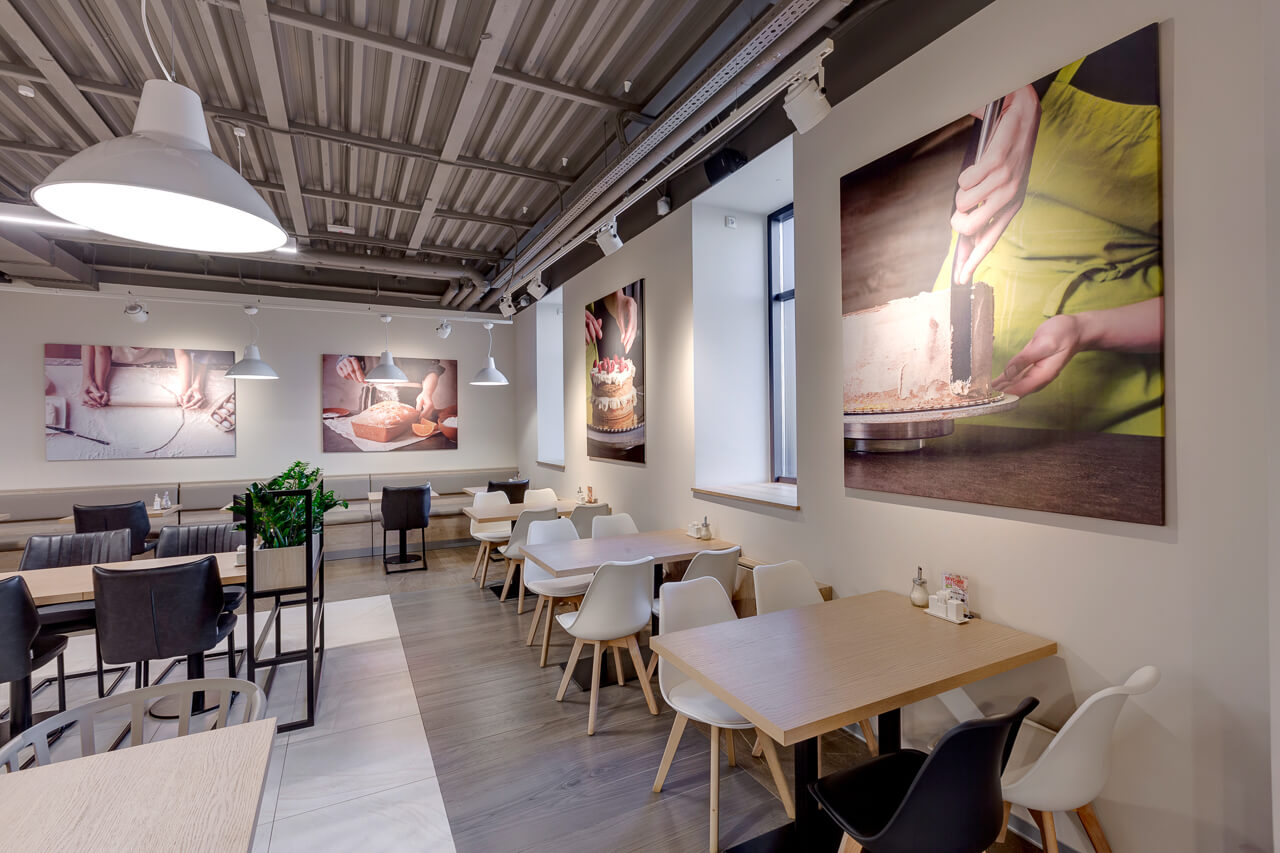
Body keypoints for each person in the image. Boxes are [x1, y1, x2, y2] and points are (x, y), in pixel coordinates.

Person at [933, 25, 1163, 435]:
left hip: (1116, 400)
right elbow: (922, 63)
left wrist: (1085, 330)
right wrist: (1010, 94)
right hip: (951, 375)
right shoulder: (1056, 25)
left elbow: (1228, 299)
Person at [79, 346, 212, 411]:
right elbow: (100, 350)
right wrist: (96, 386)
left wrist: (186, 390)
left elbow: (182, 352)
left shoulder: (169, 316)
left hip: (157, 356)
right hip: (115, 357)